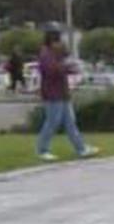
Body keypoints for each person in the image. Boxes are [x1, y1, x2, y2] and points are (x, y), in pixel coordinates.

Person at [35, 24, 99, 161]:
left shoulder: (56, 53)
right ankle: (42, 150)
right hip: (52, 95)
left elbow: (65, 59)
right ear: (52, 39)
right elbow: (53, 71)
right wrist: (68, 68)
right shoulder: (46, 54)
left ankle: (81, 148)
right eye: (58, 38)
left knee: (70, 123)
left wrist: (65, 58)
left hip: (62, 93)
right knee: (52, 122)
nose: (60, 41)